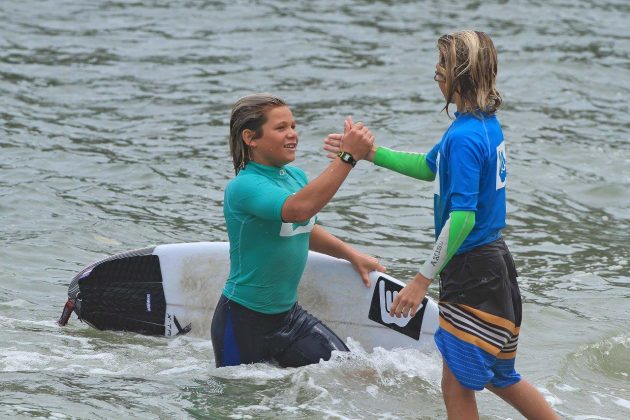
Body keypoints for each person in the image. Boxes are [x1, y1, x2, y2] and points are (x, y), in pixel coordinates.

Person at [324, 31, 557, 419]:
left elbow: (462, 217)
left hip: (473, 272)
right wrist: (370, 153)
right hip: (493, 266)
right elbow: (429, 166)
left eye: (443, 66)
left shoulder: (465, 136)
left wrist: (421, 280)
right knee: (501, 376)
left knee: (456, 387)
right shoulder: (480, 124)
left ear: (460, 75)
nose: (436, 72)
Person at [211, 93, 385, 368]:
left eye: (293, 126)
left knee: (351, 373)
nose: (292, 134)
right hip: (243, 323)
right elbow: (298, 210)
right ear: (250, 137)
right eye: (281, 128)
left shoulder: (295, 177)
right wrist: (347, 157)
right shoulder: (244, 186)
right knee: (244, 404)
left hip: (288, 318)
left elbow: (302, 226)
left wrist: (349, 254)